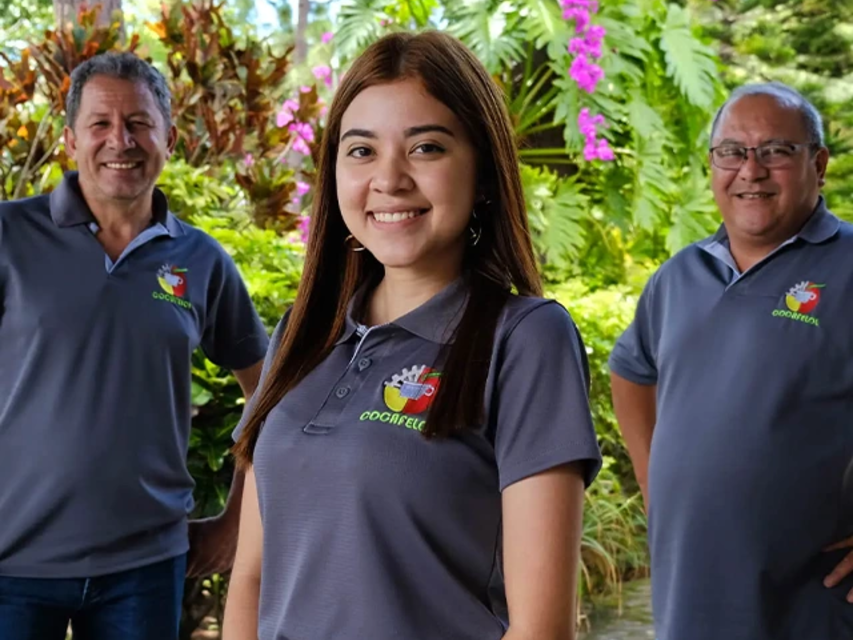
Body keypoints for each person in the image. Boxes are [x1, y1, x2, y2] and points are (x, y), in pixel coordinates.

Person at [223, 31, 601, 640]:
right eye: (361, 150)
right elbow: (251, 578)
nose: (390, 178)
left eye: (426, 148)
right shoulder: (301, 333)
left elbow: (541, 628)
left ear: (482, 173)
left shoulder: (526, 340)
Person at [0, 52, 269, 639]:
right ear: (71, 139)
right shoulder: (9, 236)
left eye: (139, 123)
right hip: (12, 566)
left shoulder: (201, 260)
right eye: (100, 123)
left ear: (168, 138)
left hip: (145, 569)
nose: (120, 140)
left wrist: (236, 522)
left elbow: (271, 392)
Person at [609, 82, 853, 639]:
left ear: (818, 164)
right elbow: (631, 371)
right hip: (688, 602)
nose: (751, 170)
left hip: (811, 612)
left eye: (776, 151)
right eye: (732, 152)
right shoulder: (679, 276)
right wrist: (653, 482)